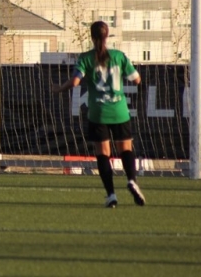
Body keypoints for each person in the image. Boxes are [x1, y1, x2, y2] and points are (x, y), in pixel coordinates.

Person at [53, 20, 145, 208]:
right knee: (126, 149)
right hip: (120, 111)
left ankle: (111, 195)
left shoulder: (86, 58)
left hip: (98, 113)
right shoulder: (119, 56)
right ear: (107, 35)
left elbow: (76, 82)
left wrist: (59, 88)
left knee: (103, 154)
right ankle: (132, 180)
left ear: (92, 36)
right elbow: (136, 80)